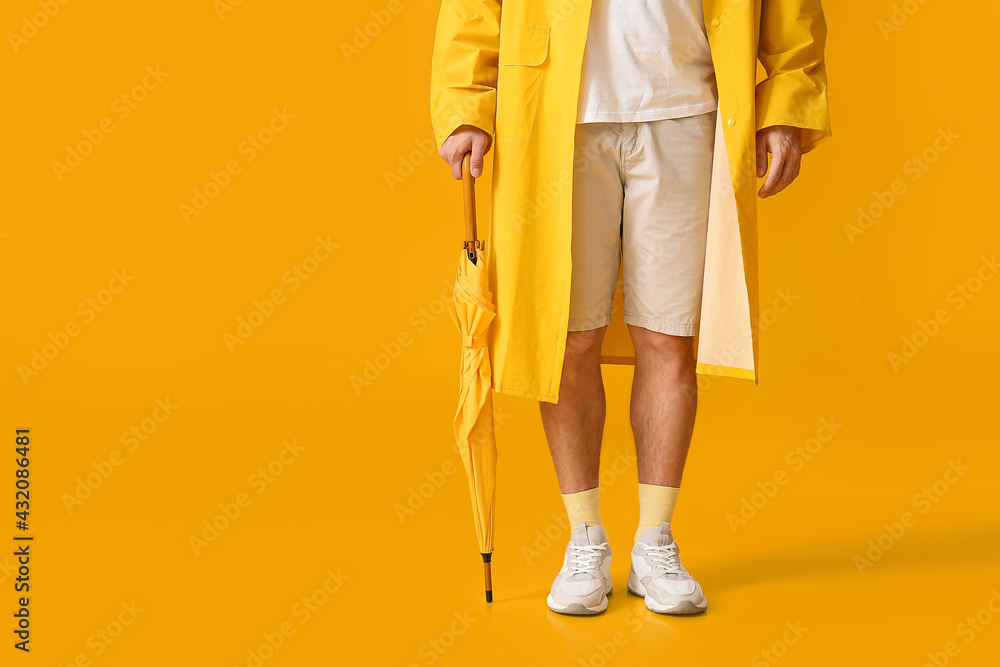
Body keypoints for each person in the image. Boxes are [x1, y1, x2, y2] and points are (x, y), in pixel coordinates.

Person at [431, 0, 831, 615]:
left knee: (670, 340)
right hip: (552, 116)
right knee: (564, 339)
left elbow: (789, 9)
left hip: (687, 112)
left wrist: (785, 103)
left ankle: (655, 542)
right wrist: (465, 105)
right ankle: (584, 538)